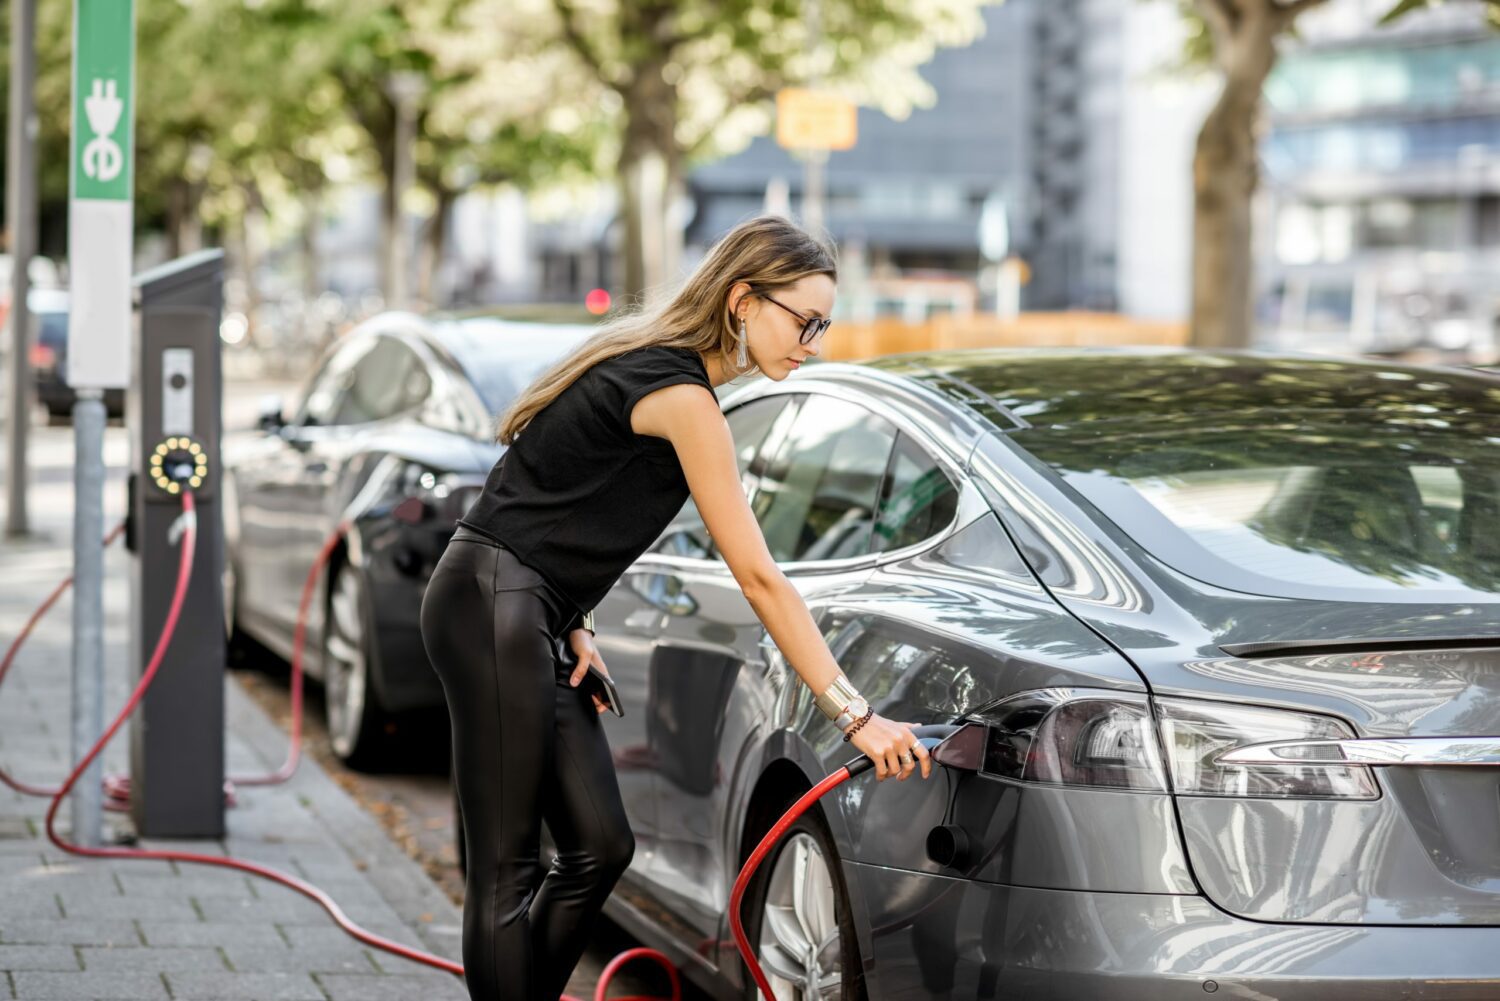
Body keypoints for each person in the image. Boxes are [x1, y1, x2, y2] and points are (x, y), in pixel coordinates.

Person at [418, 214, 933, 1001]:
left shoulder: (661, 373)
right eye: (805, 320)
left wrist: (575, 616)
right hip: (492, 602)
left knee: (599, 846)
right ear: (742, 301)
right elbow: (760, 577)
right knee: (508, 867)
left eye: (824, 324)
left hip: (528, 608)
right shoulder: (678, 392)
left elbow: (559, 489)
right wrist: (856, 714)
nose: (815, 341)